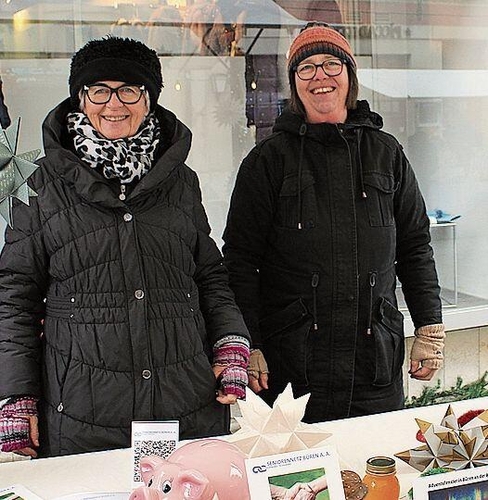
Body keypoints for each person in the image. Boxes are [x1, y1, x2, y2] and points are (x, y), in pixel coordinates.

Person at [0, 36, 250, 458]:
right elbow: (15, 298)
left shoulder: (181, 181)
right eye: (98, 89)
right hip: (82, 412)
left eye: (128, 89)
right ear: (80, 98)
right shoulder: (38, 185)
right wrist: (16, 396)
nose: (113, 103)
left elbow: (209, 275)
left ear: (148, 98)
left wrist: (230, 342)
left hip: (184, 403)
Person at [223, 23, 445, 424]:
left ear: (349, 76)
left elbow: (415, 247)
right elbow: (240, 260)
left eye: (330, 64)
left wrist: (429, 329)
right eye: (305, 68)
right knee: (298, 484)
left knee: (374, 474)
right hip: (292, 370)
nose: (320, 76)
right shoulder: (268, 161)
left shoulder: (386, 153)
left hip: (373, 366)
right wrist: (249, 343)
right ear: (294, 83)